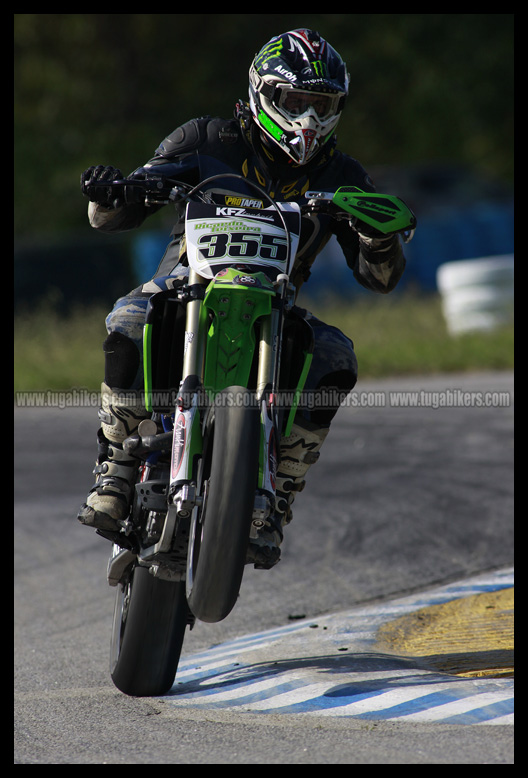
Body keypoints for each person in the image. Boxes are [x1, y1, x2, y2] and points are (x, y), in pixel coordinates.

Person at [77, 28, 408, 567]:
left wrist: (379, 238)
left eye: (319, 105)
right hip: (185, 287)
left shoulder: (343, 175)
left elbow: (380, 277)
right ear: (262, 94)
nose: (306, 119)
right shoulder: (205, 140)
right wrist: (112, 192)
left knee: (334, 354)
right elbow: (118, 213)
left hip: (273, 311)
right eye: (294, 101)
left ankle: (274, 495)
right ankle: (114, 468)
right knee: (130, 316)